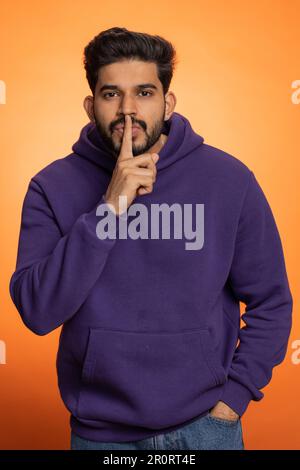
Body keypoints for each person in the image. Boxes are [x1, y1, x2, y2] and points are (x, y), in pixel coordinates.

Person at [9, 27, 293, 451]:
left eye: (144, 92)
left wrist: (232, 401)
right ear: (91, 106)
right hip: (100, 436)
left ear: (167, 101)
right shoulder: (52, 186)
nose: (128, 111)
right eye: (111, 95)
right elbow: (36, 310)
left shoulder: (228, 180)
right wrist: (108, 209)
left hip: (205, 429)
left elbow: (272, 301)